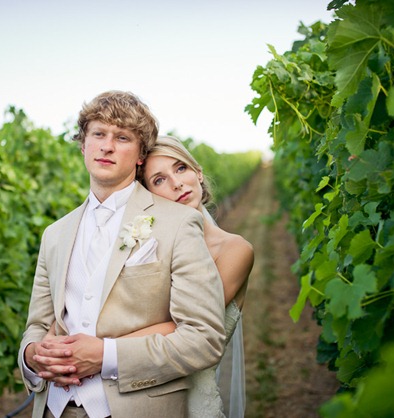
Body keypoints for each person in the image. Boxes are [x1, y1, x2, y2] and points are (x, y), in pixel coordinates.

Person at [18, 91, 227, 418]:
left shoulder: (179, 223)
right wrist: (32, 356)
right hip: (55, 410)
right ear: (83, 144)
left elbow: (204, 338)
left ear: (141, 154)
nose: (107, 145)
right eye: (98, 134)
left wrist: (106, 355)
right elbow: (36, 327)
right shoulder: (54, 235)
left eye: (122, 137)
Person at [134, 135, 254, 417]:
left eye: (180, 168)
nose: (176, 183)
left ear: (198, 173)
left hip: (191, 404)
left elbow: (185, 328)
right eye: (159, 180)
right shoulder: (145, 248)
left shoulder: (235, 251)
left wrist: (99, 346)